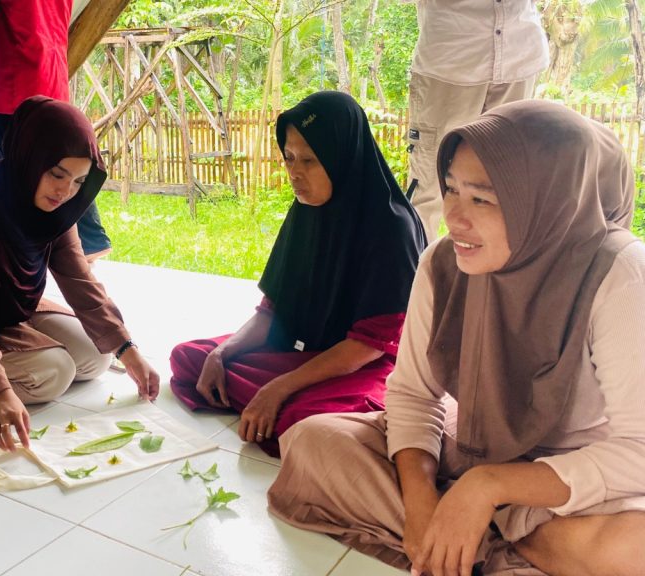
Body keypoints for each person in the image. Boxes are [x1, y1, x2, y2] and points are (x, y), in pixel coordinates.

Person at [268, 101, 645, 576]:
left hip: (566, 482)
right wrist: (423, 498)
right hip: (467, 448)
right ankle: (480, 541)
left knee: (633, 548)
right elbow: (410, 395)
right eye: (450, 190)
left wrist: (487, 486)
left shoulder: (618, 272)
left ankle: (469, 539)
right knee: (310, 440)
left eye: (482, 198)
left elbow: (639, 451)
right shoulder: (445, 262)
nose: (453, 217)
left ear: (547, 200)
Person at [168, 92, 427, 457]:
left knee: (311, 420)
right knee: (191, 358)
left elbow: (367, 346)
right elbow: (273, 309)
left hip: (363, 364)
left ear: (341, 157)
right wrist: (222, 354)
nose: (294, 172)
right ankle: (275, 403)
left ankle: (283, 406)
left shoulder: (390, 227)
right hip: (305, 351)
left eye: (309, 160)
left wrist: (278, 388)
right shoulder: (305, 210)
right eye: (289, 157)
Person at [0, 97, 160, 451]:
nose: (65, 192)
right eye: (56, 174)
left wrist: (127, 348)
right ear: (29, 158)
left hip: (5, 306)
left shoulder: (56, 207)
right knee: (54, 373)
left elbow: (79, 279)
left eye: (79, 181)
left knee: (97, 356)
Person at [0, 0, 113, 262]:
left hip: (17, 72)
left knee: (19, 171)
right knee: (56, 161)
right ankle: (90, 238)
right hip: (48, 67)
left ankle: (27, 249)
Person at [406, 0, 548, 240]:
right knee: (429, 186)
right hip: (450, 64)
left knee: (506, 183)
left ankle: (495, 272)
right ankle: (415, 272)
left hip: (519, 58)